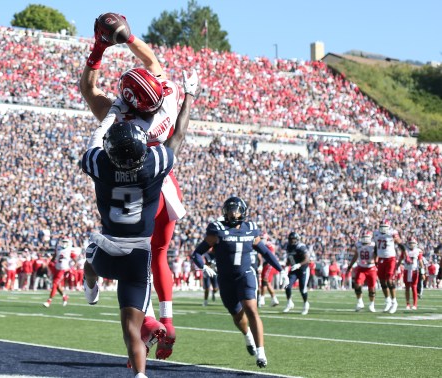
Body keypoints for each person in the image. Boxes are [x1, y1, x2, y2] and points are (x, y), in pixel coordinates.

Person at [80, 14, 188, 359]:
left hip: (132, 184)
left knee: (124, 251)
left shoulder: (118, 117)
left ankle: (148, 321)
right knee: (157, 254)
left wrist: (100, 47)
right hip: (163, 183)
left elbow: (89, 89)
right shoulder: (167, 99)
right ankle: (166, 319)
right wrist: (127, 39)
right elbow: (152, 62)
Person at [190, 196, 284, 368]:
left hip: (246, 275)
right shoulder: (217, 230)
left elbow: (266, 252)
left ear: (243, 211)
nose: (233, 214)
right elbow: (196, 253)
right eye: (230, 211)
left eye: (236, 210)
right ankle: (247, 335)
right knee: (237, 315)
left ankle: (261, 353)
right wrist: (203, 266)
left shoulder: (251, 229)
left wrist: (281, 269)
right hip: (225, 279)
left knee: (251, 309)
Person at [373, 219, 405, 314]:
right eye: (381, 227)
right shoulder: (376, 233)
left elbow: (400, 243)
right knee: (382, 281)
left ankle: (394, 302)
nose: (383, 229)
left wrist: (405, 252)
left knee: (389, 281)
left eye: (385, 227)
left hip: (390, 258)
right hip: (381, 259)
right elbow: (376, 247)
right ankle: (388, 301)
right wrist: (375, 258)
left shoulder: (392, 233)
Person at [345, 230, 377, 312]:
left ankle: (371, 304)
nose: (365, 240)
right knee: (357, 285)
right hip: (361, 267)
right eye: (364, 238)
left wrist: (372, 261)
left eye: (366, 238)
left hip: (371, 268)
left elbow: (377, 255)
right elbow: (356, 255)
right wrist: (350, 266)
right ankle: (360, 302)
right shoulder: (358, 245)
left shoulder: (374, 245)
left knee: (372, 288)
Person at [283, 231, 311, 315]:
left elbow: (307, 259)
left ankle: (306, 304)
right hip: (294, 269)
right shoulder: (288, 247)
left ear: (297, 239)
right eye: (290, 239)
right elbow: (290, 258)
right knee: (287, 285)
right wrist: (286, 266)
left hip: (303, 269)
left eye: (293, 239)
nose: (292, 241)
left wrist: (299, 264)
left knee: (302, 289)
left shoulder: (301, 246)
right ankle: (289, 303)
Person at [43, 239, 76, 307]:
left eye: (65, 242)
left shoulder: (70, 250)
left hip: (63, 269)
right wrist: (50, 264)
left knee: (55, 284)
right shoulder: (58, 248)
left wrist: (72, 268)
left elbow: (75, 259)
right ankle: (64, 296)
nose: (64, 243)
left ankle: (49, 301)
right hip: (56, 268)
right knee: (57, 286)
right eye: (63, 241)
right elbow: (54, 258)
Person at [397, 237, 425, 310]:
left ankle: (415, 304)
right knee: (407, 288)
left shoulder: (418, 251)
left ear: (415, 243)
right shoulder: (405, 251)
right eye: (410, 243)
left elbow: (421, 262)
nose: (412, 245)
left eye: (413, 243)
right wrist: (396, 268)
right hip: (406, 270)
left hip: (414, 271)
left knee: (414, 287)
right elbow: (400, 260)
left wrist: (423, 272)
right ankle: (408, 304)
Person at [258, 233, 280, 308]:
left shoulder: (269, 245)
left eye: (262, 238)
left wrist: (262, 264)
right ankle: (274, 299)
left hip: (269, 264)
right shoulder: (263, 245)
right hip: (266, 264)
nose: (261, 240)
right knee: (266, 282)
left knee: (265, 280)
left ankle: (262, 299)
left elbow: (270, 256)